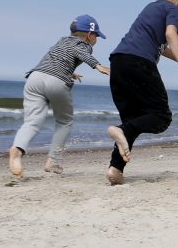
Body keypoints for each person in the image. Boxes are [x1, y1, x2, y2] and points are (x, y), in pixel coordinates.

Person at [105, 0, 178, 185]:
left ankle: (115, 170)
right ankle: (119, 140)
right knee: (161, 117)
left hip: (118, 62)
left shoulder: (151, 7)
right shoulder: (173, 10)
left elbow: (159, 44)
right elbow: (170, 33)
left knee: (132, 122)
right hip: (139, 63)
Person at [8, 15, 110, 177]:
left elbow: (57, 59)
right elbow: (80, 51)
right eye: (96, 35)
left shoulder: (61, 41)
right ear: (90, 35)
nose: (96, 38)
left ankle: (17, 150)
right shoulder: (84, 44)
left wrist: (71, 72)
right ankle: (53, 161)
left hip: (34, 78)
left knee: (32, 122)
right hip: (55, 82)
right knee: (64, 121)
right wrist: (97, 66)